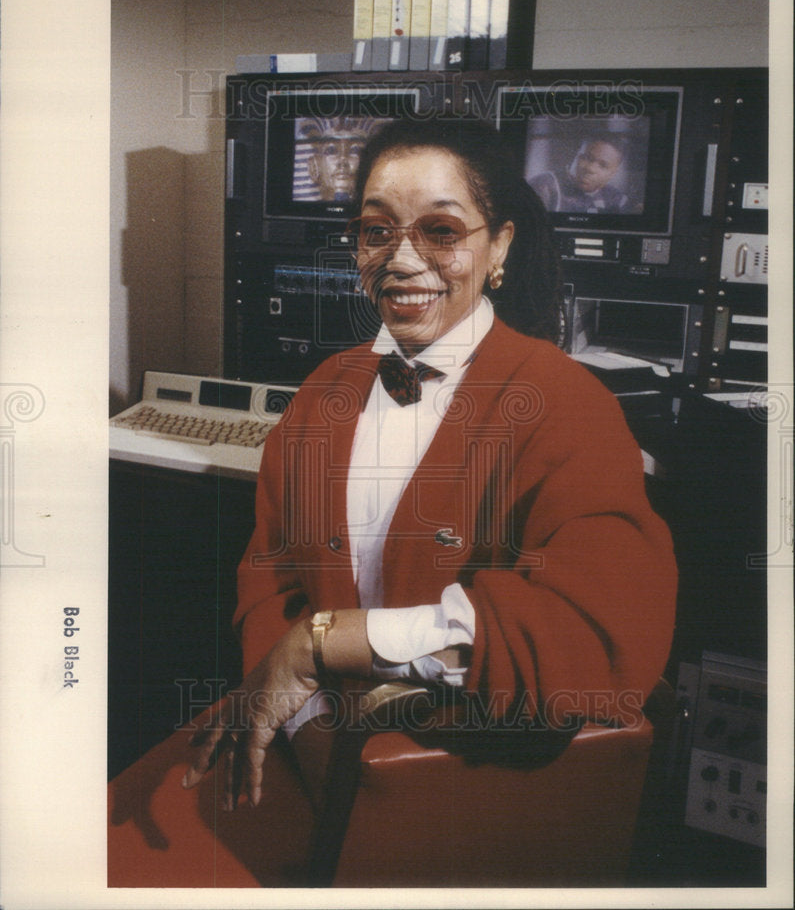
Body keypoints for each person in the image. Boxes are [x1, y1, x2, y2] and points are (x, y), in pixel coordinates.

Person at [108, 116, 677, 886]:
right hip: (303, 746)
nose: (402, 259)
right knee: (99, 848)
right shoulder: (325, 391)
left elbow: (599, 633)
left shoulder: (562, 401)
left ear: (498, 246)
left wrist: (325, 642)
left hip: (449, 782)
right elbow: (269, 573)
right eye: (376, 232)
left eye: (439, 230)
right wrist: (299, 713)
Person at [531, 133, 631, 214]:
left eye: (603, 165)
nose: (590, 169)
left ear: (612, 174)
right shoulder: (545, 185)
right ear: (576, 155)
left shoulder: (617, 199)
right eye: (586, 158)